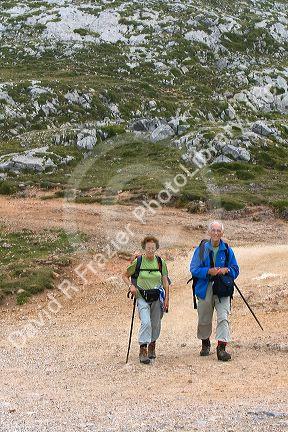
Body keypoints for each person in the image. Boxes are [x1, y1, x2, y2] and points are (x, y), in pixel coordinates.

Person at [189, 221, 239, 361]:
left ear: (222, 233)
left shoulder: (228, 250)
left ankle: (221, 348)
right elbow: (193, 269)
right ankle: (205, 342)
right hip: (205, 287)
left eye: (218, 231)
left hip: (223, 288)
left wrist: (227, 270)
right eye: (213, 230)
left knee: (223, 316)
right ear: (209, 232)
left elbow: (235, 269)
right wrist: (208, 271)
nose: (216, 233)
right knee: (204, 317)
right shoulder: (200, 250)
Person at [123, 236, 169, 364]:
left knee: (156, 323)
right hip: (141, 296)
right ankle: (143, 349)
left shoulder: (160, 262)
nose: (150, 250)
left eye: (152, 248)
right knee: (146, 322)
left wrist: (167, 299)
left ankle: (152, 346)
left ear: (156, 248)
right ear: (144, 248)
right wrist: (131, 286)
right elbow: (125, 275)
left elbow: (165, 282)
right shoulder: (138, 262)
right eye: (148, 248)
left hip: (157, 297)